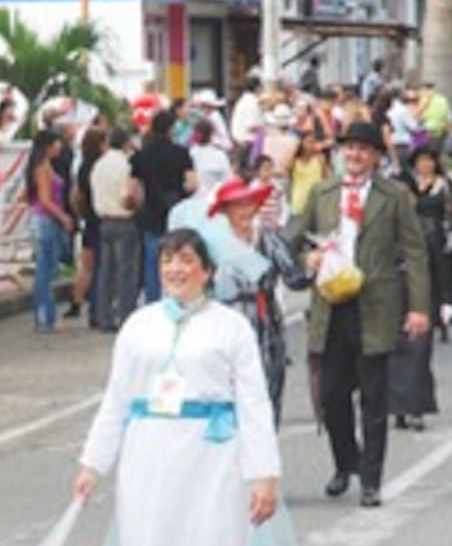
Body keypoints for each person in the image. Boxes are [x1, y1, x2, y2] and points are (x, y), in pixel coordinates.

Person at [71, 228, 302, 546]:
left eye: (187, 261)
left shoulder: (231, 329)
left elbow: (253, 403)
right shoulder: (139, 327)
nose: (176, 270)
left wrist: (263, 473)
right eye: (168, 261)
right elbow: (116, 399)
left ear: (207, 271)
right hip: (149, 461)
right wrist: (94, 463)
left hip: (211, 460)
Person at [295, 122, 430, 508]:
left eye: (362, 150)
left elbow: (415, 251)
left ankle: (371, 479)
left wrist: (419, 307)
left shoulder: (394, 195)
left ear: (375, 156)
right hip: (332, 303)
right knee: (333, 394)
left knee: (374, 397)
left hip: (376, 304)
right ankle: (345, 461)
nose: (354, 156)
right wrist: (310, 258)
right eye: (349, 149)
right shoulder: (322, 193)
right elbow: (293, 241)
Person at [207, 178, 309, 425]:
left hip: (264, 321)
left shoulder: (268, 238)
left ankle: (263, 453)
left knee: (266, 391)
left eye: (247, 204)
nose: (243, 211)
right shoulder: (212, 243)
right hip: (223, 321)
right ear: (224, 211)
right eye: (235, 205)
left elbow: (294, 277)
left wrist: (314, 267)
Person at [389, 146, 452, 431]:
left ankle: (416, 405)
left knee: (419, 347)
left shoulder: (443, 188)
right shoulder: (396, 202)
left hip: (432, 265)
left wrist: (446, 297)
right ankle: (397, 406)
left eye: (430, 160)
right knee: (394, 345)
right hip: (394, 282)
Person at [130, 110, 197, 301]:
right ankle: (177, 298)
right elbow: (192, 184)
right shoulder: (181, 153)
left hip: (150, 214)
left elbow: (132, 191)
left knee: (152, 263)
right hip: (177, 214)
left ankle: (154, 302)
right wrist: (181, 193)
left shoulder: (141, 156)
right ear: (171, 129)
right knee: (178, 259)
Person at [91, 127, 141, 332]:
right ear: (126, 143)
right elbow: (129, 195)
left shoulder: (99, 164)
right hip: (124, 220)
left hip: (104, 219)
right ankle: (125, 315)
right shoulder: (127, 165)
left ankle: (104, 316)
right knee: (126, 271)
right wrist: (134, 206)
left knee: (106, 270)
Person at [25, 130, 73, 333]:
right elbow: (45, 200)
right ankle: (45, 317)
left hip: (41, 219)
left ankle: (44, 315)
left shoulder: (40, 167)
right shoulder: (43, 169)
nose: (59, 148)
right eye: (56, 143)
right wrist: (63, 216)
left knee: (46, 268)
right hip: (46, 220)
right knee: (45, 270)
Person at [69, 127, 106, 322]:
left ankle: (77, 300)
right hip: (102, 216)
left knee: (86, 265)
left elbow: (76, 195)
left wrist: (81, 213)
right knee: (101, 265)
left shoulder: (83, 167)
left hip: (89, 217)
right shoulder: (101, 166)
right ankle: (97, 305)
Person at [188, 119, 233, 198]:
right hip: (213, 199)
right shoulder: (220, 155)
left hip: (193, 200)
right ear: (212, 135)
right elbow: (228, 180)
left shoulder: (189, 154)